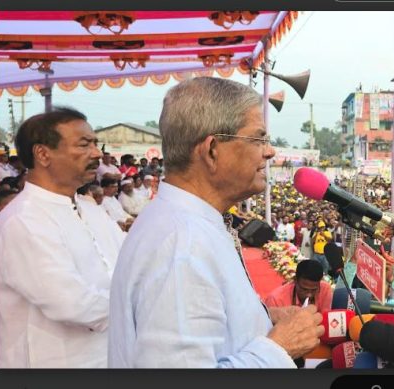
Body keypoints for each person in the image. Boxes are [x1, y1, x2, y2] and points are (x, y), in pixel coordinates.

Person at [108, 77, 324, 368]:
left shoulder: (189, 224)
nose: (270, 151)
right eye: (258, 138)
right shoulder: (183, 246)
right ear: (211, 150)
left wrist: (262, 319)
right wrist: (279, 347)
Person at [0, 108, 123, 367]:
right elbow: (73, 304)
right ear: (43, 154)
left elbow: (133, 261)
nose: (97, 153)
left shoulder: (90, 210)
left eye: (95, 144)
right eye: (84, 144)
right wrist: (142, 306)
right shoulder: (23, 221)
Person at [264, 260, 333, 313]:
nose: (309, 294)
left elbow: (325, 318)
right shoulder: (275, 299)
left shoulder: (325, 289)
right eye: (304, 289)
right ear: (295, 281)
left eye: (314, 290)